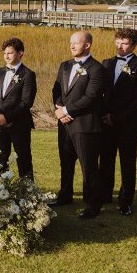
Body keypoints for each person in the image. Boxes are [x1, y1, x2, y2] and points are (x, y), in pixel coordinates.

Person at [51, 30, 107, 219]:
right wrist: (59, 108)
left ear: (88, 45)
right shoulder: (65, 66)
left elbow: (90, 97)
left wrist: (67, 111)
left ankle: (93, 205)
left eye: (76, 42)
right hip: (65, 125)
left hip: (86, 125)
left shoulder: (97, 69)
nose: (72, 46)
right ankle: (65, 195)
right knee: (65, 162)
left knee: (88, 166)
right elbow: (56, 89)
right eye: (71, 43)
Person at [99, 28, 137, 216]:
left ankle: (126, 201)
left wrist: (116, 117)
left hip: (127, 123)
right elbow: (99, 93)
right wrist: (105, 115)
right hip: (105, 121)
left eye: (125, 43)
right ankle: (105, 195)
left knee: (127, 162)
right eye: (118, 42)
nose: (120, 46)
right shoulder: (105, 63)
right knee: (105, 160)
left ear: (134, 45)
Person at [0, 37, 37, 179]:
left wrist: (8, 117)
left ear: (20, 53)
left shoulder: (28, 74)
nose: (6, 56)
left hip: (19, 124)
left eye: (10, 53)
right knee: (0, 158)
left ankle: (27, 192)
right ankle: (2, 191)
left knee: (23, 158)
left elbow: (26, 102)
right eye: (5, 53)